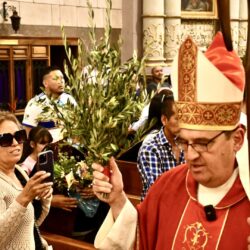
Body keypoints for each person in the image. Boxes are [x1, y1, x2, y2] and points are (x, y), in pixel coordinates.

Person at [92, 32, 250, 249]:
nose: (191, 155)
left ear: (237, 139)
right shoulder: (167, 187)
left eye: (203, 143)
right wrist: (118, 199)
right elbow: (141, 239)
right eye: (184, 142)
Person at [0, 111, 53, 249]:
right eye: (5, 139)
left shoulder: (19, 172)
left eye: (19, 136)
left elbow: (31, 224)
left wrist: (44, 198)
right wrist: (24, 198)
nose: (15, 143)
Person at [137, 88, 185, 200]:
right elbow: (157, 190)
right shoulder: (150, 148)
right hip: (158, 209)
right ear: (164, 120)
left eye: (185, 118)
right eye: (177, 119)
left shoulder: (185, 143)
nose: (183, 124)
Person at [20, 126, 79, 212]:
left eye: (49, 143)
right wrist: (50, 200)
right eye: (43, 143)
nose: (47, 147)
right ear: (32, 144)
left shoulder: (53, 159)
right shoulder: (26, 166)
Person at [22, 66, 76, 137]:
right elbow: (28, 133)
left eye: (62, 78)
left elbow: (77, 126)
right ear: (45, 83)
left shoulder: (69, 99)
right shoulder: (35, 103)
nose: (61, 81)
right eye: (55, 79)